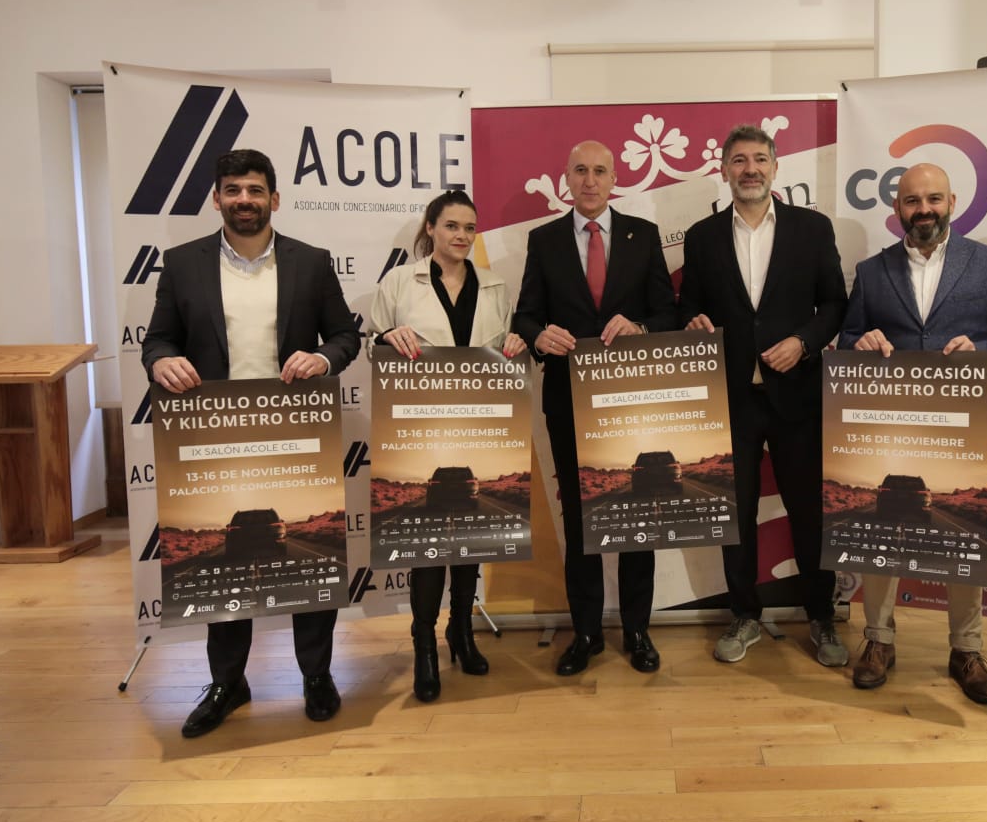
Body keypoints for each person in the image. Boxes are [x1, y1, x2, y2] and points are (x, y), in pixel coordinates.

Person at [142, 148, 360, 738]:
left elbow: (345, 335)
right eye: (233, 189)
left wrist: (324, 355)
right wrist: (161, 363)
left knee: (312, 571)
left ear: (274, 199)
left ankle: (316, 675)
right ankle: (228, 682)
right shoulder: (182, 264)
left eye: (255, 190)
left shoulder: (310, 263)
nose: (244, 200)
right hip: (215, 439)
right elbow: (156, 342)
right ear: (216, 198)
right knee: (230, 566)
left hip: (296, 435)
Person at [837, 162, 987, 704]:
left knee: (963, 537)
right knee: (884, 536)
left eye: (934, 199)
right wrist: (861, 343)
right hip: (889, 432)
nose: (924, 209)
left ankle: (967, 648)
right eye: (913, 201)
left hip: (961, 430)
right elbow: (849, 337)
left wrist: (984, 352)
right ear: (897, 210)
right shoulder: (872, 272)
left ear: (953, 202)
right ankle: (878, 639)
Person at [679, 124, 850, 667]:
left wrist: (803, 343)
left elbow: (836, 307)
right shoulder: (701, 236)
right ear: (724, 170)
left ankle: (820, 616)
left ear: (776, 168)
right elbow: (691, 308)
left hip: (797, 393)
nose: (749, 168)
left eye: (759, 158)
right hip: (731, 398)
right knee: (736, 513)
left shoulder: (812, 228)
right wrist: (692, 321)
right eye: (738, 160)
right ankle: (744, 614)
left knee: (809, 512)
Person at [513, 140, 677, 675]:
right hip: (567, 397)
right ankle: (585, 632)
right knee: (581, 521)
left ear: (614, 180)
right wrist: (541, 336)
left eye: (599, 171)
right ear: (566, 178)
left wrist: (641, 327)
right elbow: (525, 316)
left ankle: (637, 629)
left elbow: (666, 313)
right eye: (579, 170)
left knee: (635, 515)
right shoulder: (544, 240)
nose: (589, 180)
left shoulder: (643, 235)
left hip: (632, 400)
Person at [370, 190, 526, 703]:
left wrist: (515, 343)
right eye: (452, 225)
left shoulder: (496, 285)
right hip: (423, 429)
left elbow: (503, 346)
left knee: (472, 534)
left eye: (469, 228)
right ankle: (424, 647)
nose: (461, 235)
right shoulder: (398, 282)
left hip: (480, 426)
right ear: (431, 228)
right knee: (428, 543)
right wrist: (389, 337)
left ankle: (462, 632)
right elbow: (374, 345)